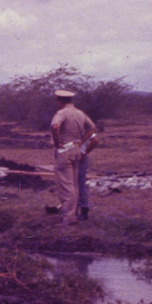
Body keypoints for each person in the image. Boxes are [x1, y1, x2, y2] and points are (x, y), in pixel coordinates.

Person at [50, 90, 97, 225]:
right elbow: (92, 128)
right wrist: (81, 141)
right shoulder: (80, 113)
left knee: (65, 185)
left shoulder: (61, 113)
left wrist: (58, 141)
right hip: (76, 149)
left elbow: (55, 126)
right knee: (74, 184)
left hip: (65, 150)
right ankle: (73, 213)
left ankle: (69, 217)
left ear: (60, 101)